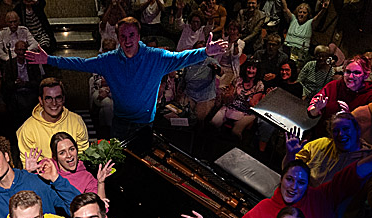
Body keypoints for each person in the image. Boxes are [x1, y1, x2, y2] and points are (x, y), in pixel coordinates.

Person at [27, 18, 228, 139]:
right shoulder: (109, 60)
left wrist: (205, 51)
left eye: (131, 35)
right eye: (122, 36)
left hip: (145, 125)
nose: (127, 40)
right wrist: (49, 59)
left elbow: (183, 57)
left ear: (138, 36)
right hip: (120, 123)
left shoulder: (156, 57)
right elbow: (80, 63)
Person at [179, 152, 372, 218]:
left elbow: (349, 177)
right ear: (282, 179)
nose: (294, 186)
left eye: (301, 182)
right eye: (290, 179)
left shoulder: (320, 198)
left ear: (308, 186)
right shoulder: (264, 209)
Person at [285, 113, 372, 189]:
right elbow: (288, 171)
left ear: (357, 130)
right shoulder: (321, 144)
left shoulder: (368, 159)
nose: (341, 134)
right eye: (335, 130)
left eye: (346, 129)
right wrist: (290, 154)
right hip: (302, 197)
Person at [16, 78, 90, 161]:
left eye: (58, 98)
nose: (54, 103)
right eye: (48, 98)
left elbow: (83, 155)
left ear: (63, 99)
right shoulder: (28, 128)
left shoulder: (76, 121)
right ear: (41, 100)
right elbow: (28, 164)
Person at [303, 54, 372, 134]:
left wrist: (349, 117)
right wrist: (316, 109)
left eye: (356, 73)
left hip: (344, 141)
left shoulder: (370, 97)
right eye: (348, 72)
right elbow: (311, 111)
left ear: (366, 75)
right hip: (321, 135)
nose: (350, 76)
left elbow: (366, 129)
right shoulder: (334, 86)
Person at [48, 132, 113, 199]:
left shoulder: (87, 177)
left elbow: (99, 206)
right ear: (55, 156)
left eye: (72, 149)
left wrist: (101, 183)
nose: (69, 155)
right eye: (62, 153)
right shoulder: (47, 167)